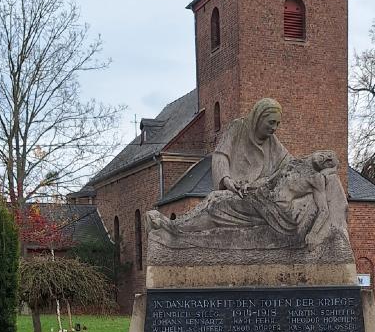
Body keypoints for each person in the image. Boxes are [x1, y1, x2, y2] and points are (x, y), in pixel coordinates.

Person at [147, 99, 349, 250]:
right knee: (216, 200)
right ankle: (173, 228)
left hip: (261, 199)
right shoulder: (238, 127)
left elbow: (290, 164)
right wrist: (226, 180)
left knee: (217, 205)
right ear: (258, 117)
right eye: (270, 122)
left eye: (277, 124)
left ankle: (174, 230)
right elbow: (220, 155)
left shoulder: (274, 143)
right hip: (239, 189)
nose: (274, 128)